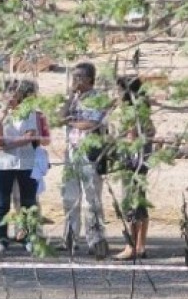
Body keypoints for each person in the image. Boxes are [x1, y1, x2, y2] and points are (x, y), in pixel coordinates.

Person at [60, 61, 109, 255]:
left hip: (90, 153)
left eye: (79, 77)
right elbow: (59, 117)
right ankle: (70, 238)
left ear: (89, 78)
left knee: (92, 199)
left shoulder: (98, 98)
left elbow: (92, 123)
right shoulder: (73, 99)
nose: (76, 81)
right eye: (74, 77)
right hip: (72, 151)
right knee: (69, 197)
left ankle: (96, 240)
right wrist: (70, 98)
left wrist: (70, 121)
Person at [0, 80, 41, 252]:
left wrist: (9, 143)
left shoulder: (29, 113)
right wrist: (1, 119)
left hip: (26, 162)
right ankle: (1, 237)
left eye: (15, 93)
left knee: (28, 201)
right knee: (2, 202)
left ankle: (29, 236)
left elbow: (29, 136)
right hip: (4, 163)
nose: (11, 96)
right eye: (9, 93)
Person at [110, 76, 156, 260]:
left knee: (131, 204)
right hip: (141, 161)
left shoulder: (131, 112)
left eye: (119, 90)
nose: (117, 94)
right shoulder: (144, 111)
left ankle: (132, 246)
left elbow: (131, 137)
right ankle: (140, 245)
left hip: (132, 162)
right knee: (140, 203)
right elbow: (151, 132)